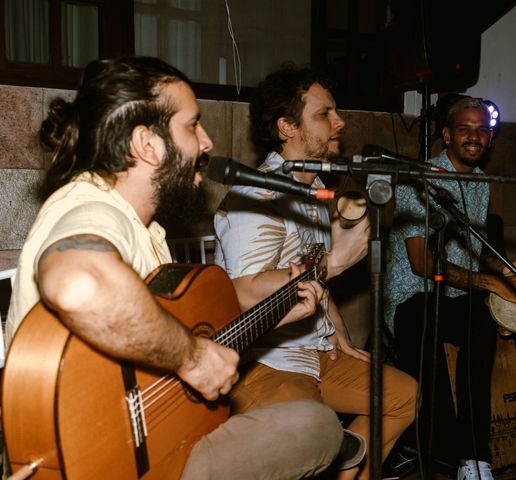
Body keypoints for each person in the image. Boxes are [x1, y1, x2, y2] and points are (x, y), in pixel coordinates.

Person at [5, 56, 345, 480]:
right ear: (147, 144)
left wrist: (274, 313)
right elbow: (77, 282)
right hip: (101, 457)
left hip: (161, 435)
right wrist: (190, 356)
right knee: (314, 427)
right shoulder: (93, 207)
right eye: (192, 125)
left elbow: (159, 335)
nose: (206, 141)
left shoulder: (145, 228)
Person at [213, 64, 418, 480]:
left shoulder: (312, 190)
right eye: (324, 114)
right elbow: (243, 291)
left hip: (314, 353)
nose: (339, 122)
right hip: (264, 364)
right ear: (287, 126)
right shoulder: (259, 195)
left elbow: (311, 277)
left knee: (404, 396)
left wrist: (336, 329)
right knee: (315, 431)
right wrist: (336, 261)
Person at [384, 96, 516, 479]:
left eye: (483, 130)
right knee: (478, 324)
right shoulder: (419, 179)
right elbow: (422, 263)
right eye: (466, 129)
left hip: (458, 293)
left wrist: (506, 271)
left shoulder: (480, 181)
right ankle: (472, 460)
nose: (475, 137)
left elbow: (476, 249)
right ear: (447, 135)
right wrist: (491, 284)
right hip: (412, 297)